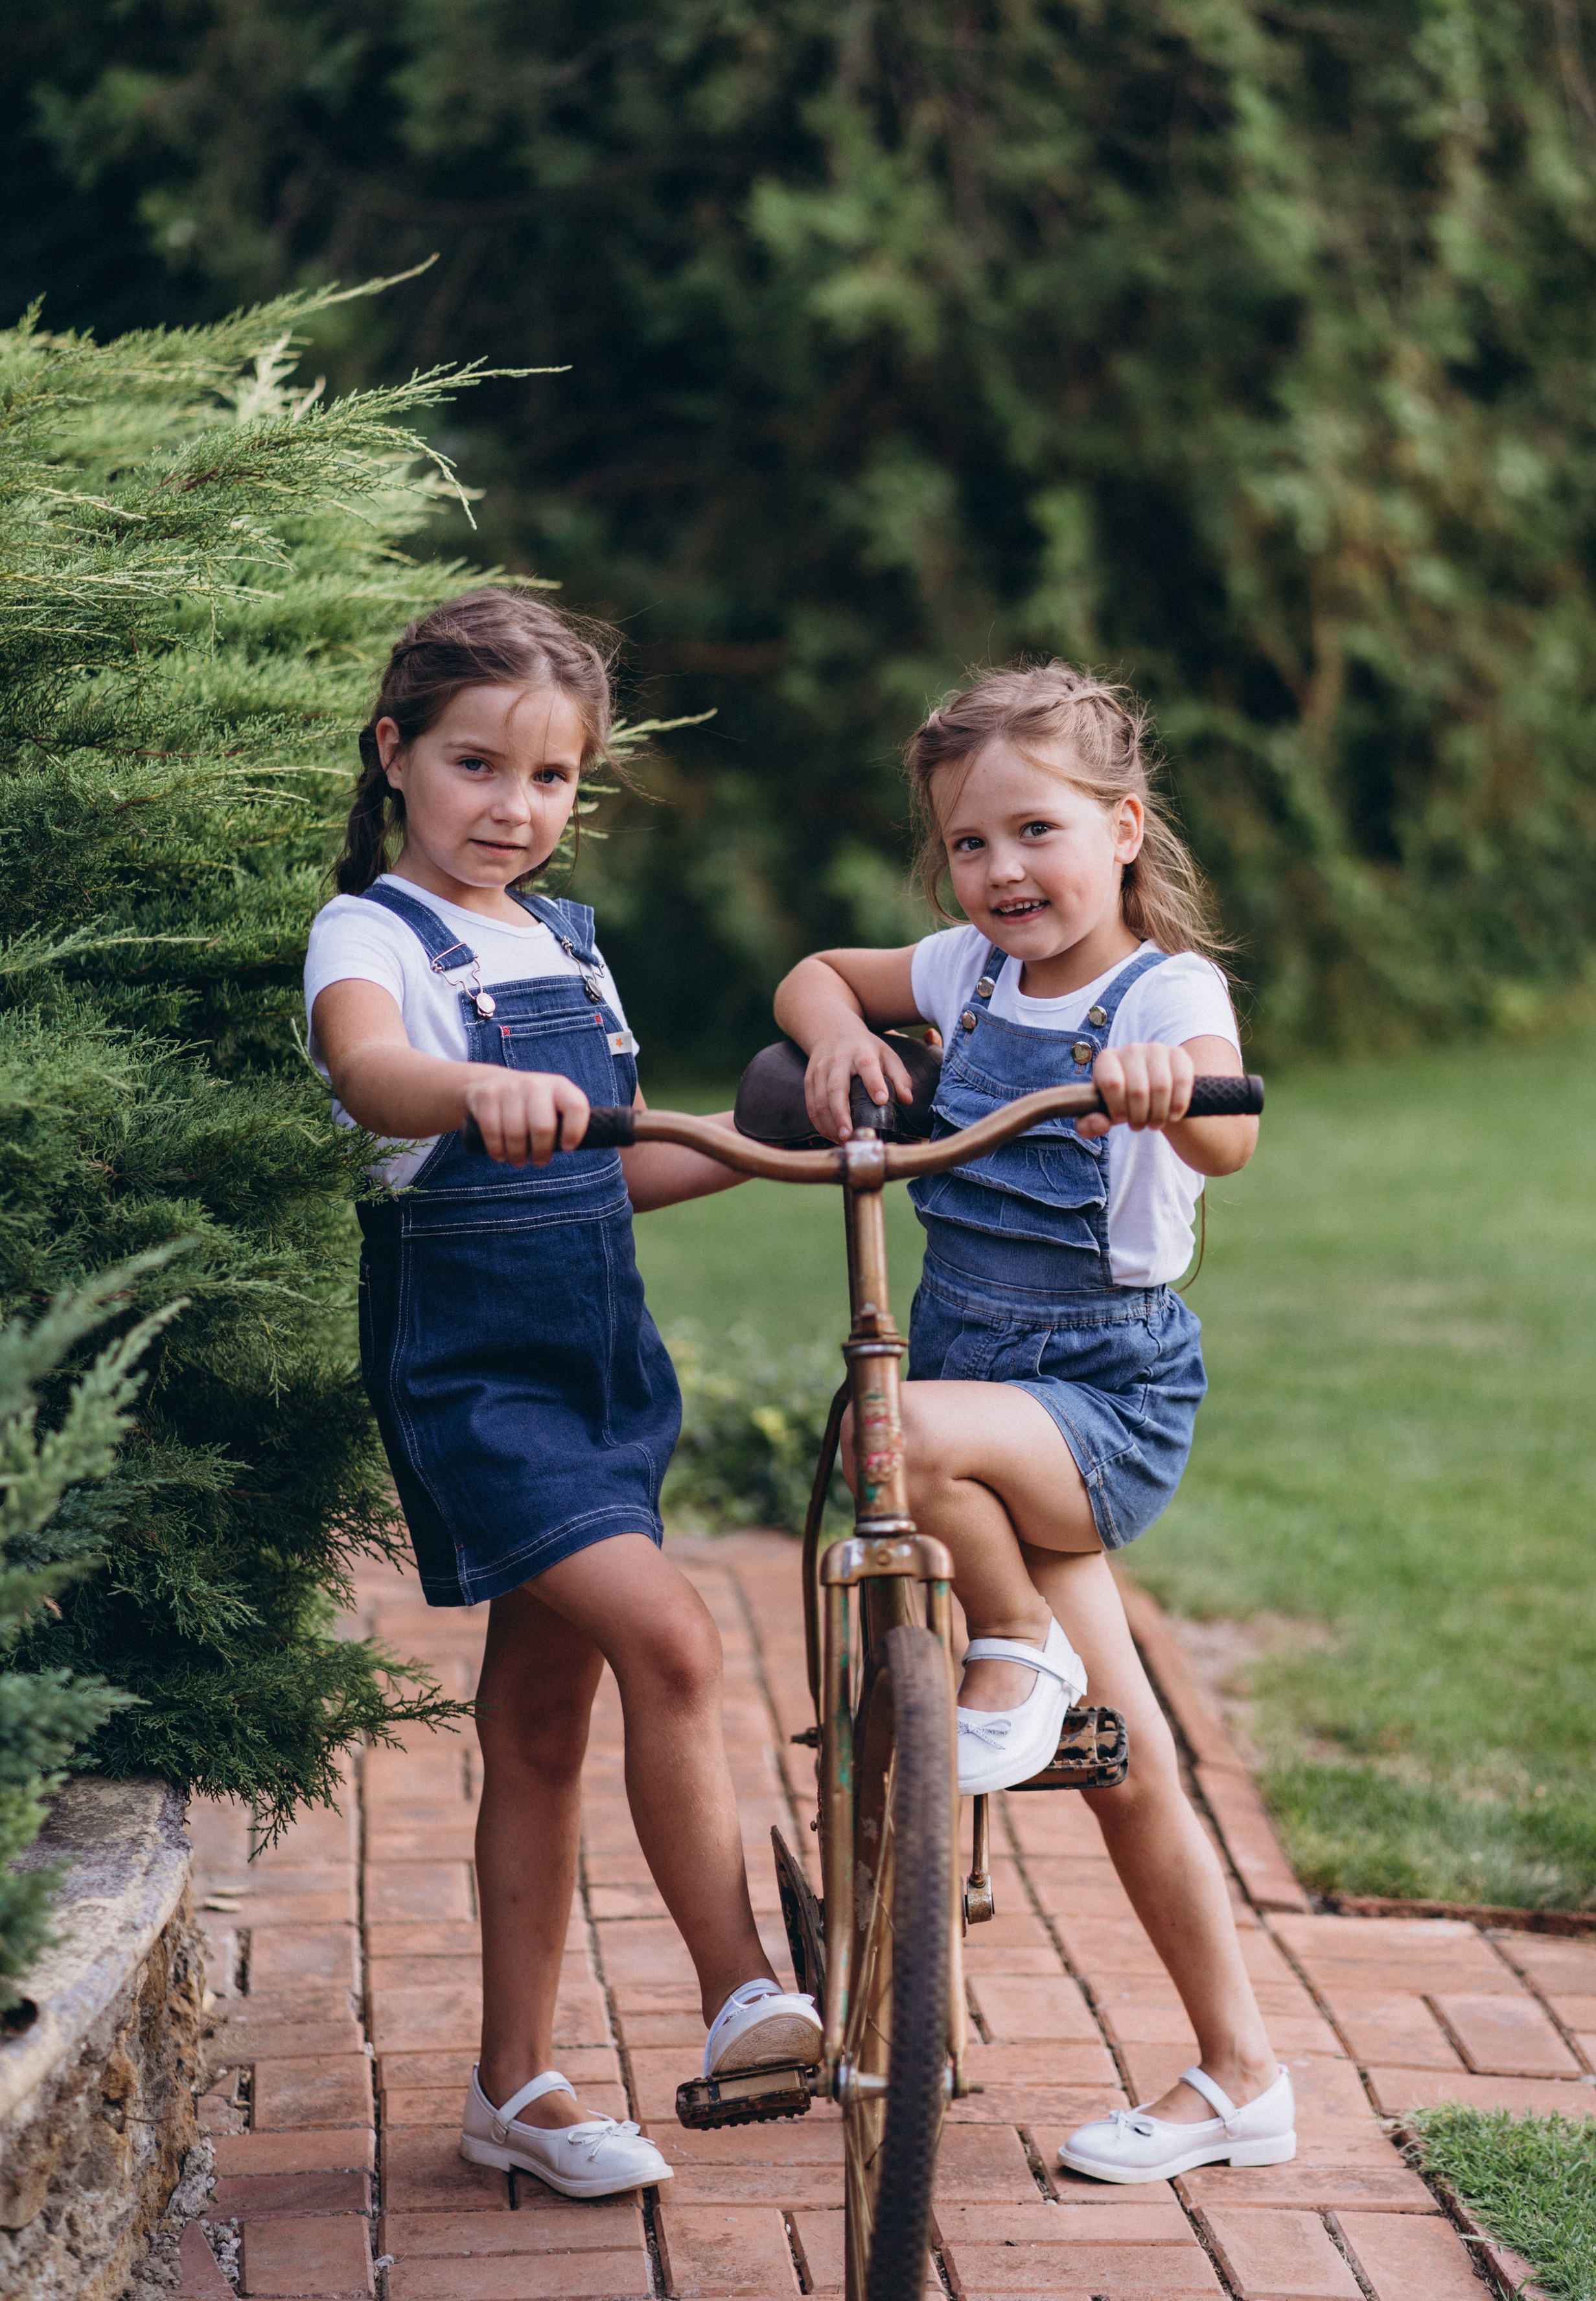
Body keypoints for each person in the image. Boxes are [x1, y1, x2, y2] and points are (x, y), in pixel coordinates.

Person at [306, 589, 818, 2201]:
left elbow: (615, 1169)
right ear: (398, 756)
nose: (509, 810)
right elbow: (370, 1072)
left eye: (546, 783)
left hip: (605, 1374)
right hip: (473, 1378)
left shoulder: (569, 945)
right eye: (475, 767)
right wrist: (476, 1088)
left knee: (540, 1724)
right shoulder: (375, 937)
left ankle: (510, 2087)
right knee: (674, 1636)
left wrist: (758, 1150)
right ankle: (747, 1990)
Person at [773, 659, 1295, 2184]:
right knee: (1126, 1761)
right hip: (978, 1389)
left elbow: (1231, 1124)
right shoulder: (967, 976)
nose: (1002, 869)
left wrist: (1162, 1090)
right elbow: (815, 968)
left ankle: (1015, 1643)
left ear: (1122, 827)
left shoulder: (1166, 995)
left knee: (899, 1429)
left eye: (1036, 831)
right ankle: (1242, 2074)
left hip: (1098, 1398)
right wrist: (831, 1042)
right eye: (969, 844)